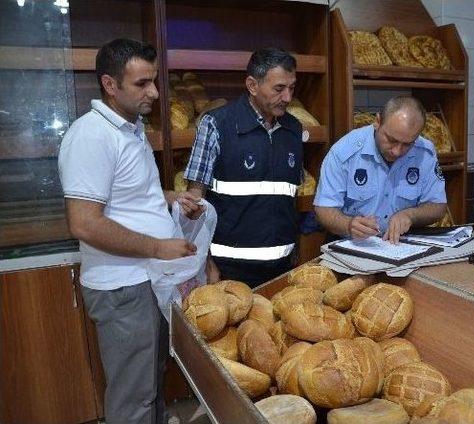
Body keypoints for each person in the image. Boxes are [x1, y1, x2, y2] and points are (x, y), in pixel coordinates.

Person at [58, 38, 203, 424]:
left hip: (146, 282)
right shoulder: (91, 135)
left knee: (149, 384)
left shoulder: (130, 129)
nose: (154, 92)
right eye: (142, 84)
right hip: (123, 289)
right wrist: (158, 246)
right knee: (132, 398)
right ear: (109, 84)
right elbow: (84, 222)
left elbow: (129, 198)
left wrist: (171, 198)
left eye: (153, 81)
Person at [184, 47, 303, 287]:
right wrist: (206, 263)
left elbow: (290, 198)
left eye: (292, 88)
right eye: (279, 88)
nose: (288, 97)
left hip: (283, 269)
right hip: (229, 271)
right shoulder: (216, 125)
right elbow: (194, 205)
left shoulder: (294, 129)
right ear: (252, 85)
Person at [314, 96, 447, 244]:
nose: (397, 151)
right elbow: (324, 209)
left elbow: (438, 206)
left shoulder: (425, 153)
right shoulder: (344, 151)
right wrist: (348, 224)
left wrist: (410, 215)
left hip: (400, 246)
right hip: (352, 245)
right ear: (377, 121)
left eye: (407, 144)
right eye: (391, 140)